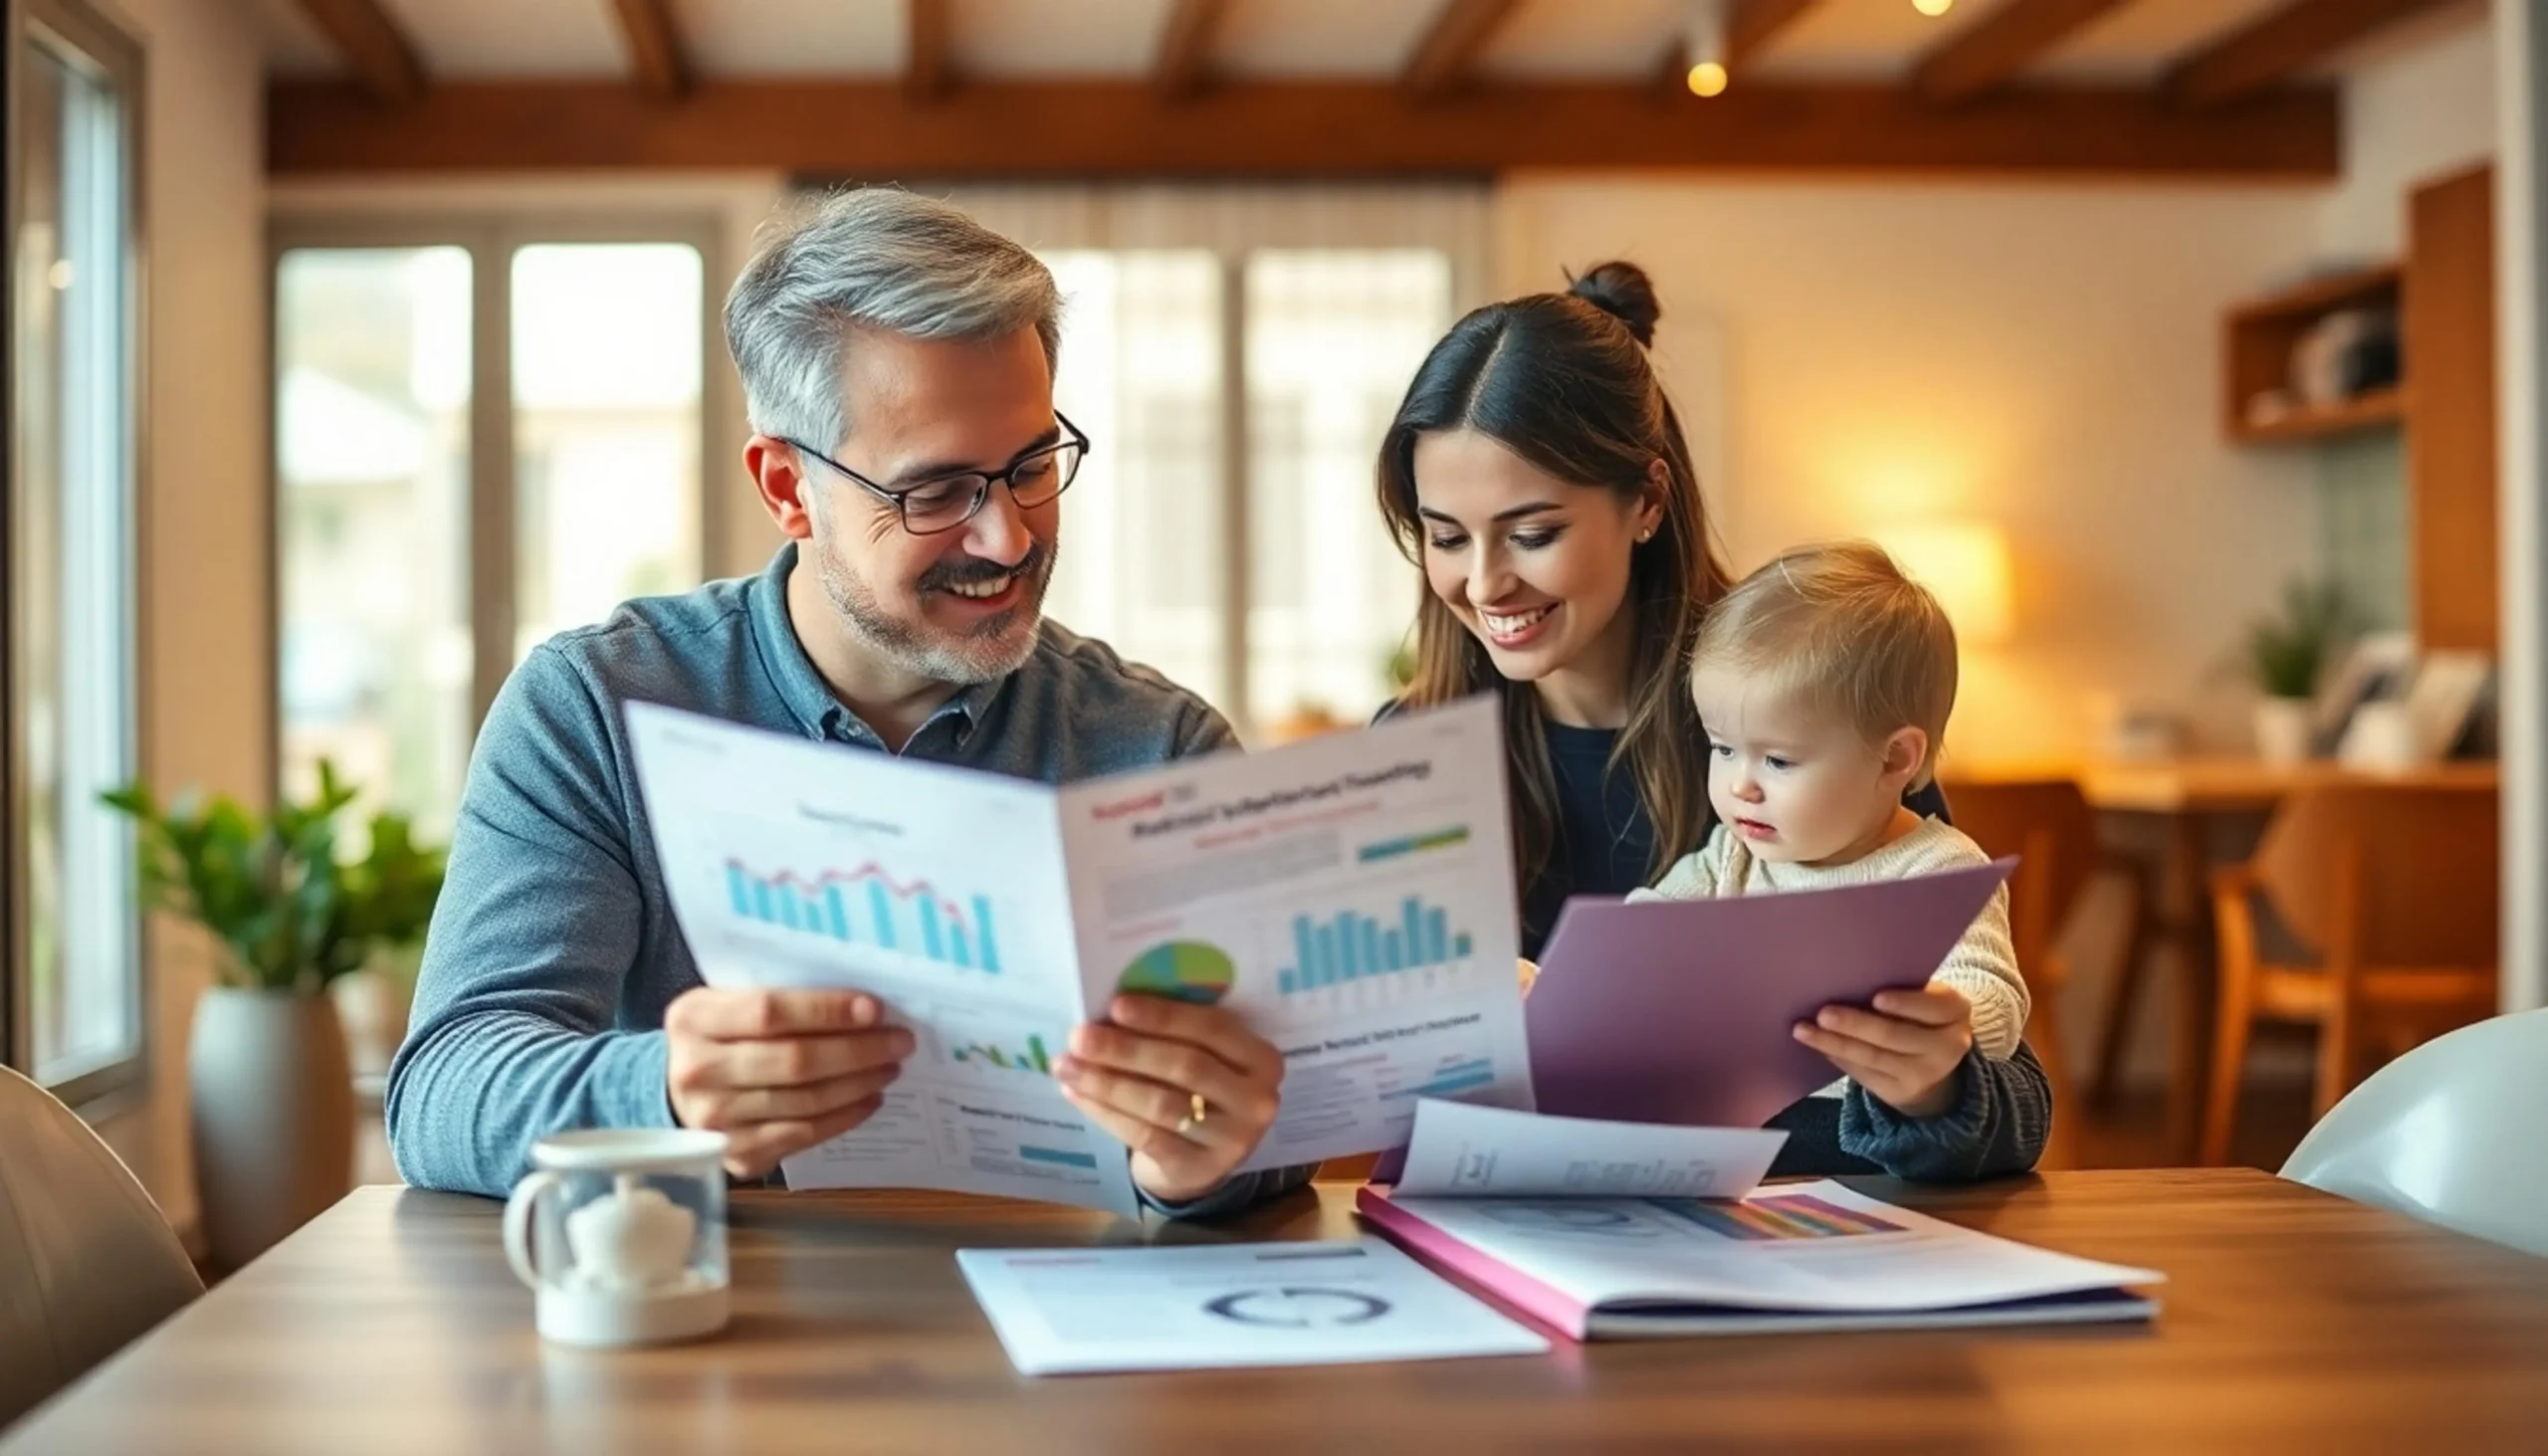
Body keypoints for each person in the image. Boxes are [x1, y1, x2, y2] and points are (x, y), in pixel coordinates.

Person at [388, 189, 1303, 1215]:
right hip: (718, 1336)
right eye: (937, 490)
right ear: (787, 485)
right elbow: (442, 1089)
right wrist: (663, 1093)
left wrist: (1199, 1156)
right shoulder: (598, 708)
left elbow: (1283, 1124)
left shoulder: (1157, 746)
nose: (1006, 538)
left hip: (1065, 1327)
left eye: (1032, 465)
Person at [1376, 262, 2048, 1178]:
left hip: (1793, 1243)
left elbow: (2013, 1105)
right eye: (1447, 536)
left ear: (1647, 500)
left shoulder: (1810, 712)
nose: (1484, 582)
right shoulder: (1412, 757)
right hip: (1515, 1234)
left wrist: (1931, 1085)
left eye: (1532, 533)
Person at [1626, 542, 2034, 1177]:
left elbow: (1996, 1004)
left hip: (1860, 1162)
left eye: (1778, 761)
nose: (1741, 786)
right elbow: (1642, 927)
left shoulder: (1937, 870)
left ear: (1895, 759)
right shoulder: (1730, 854)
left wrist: (1935, 1022)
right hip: (1733, 1164)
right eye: (1723, 749)